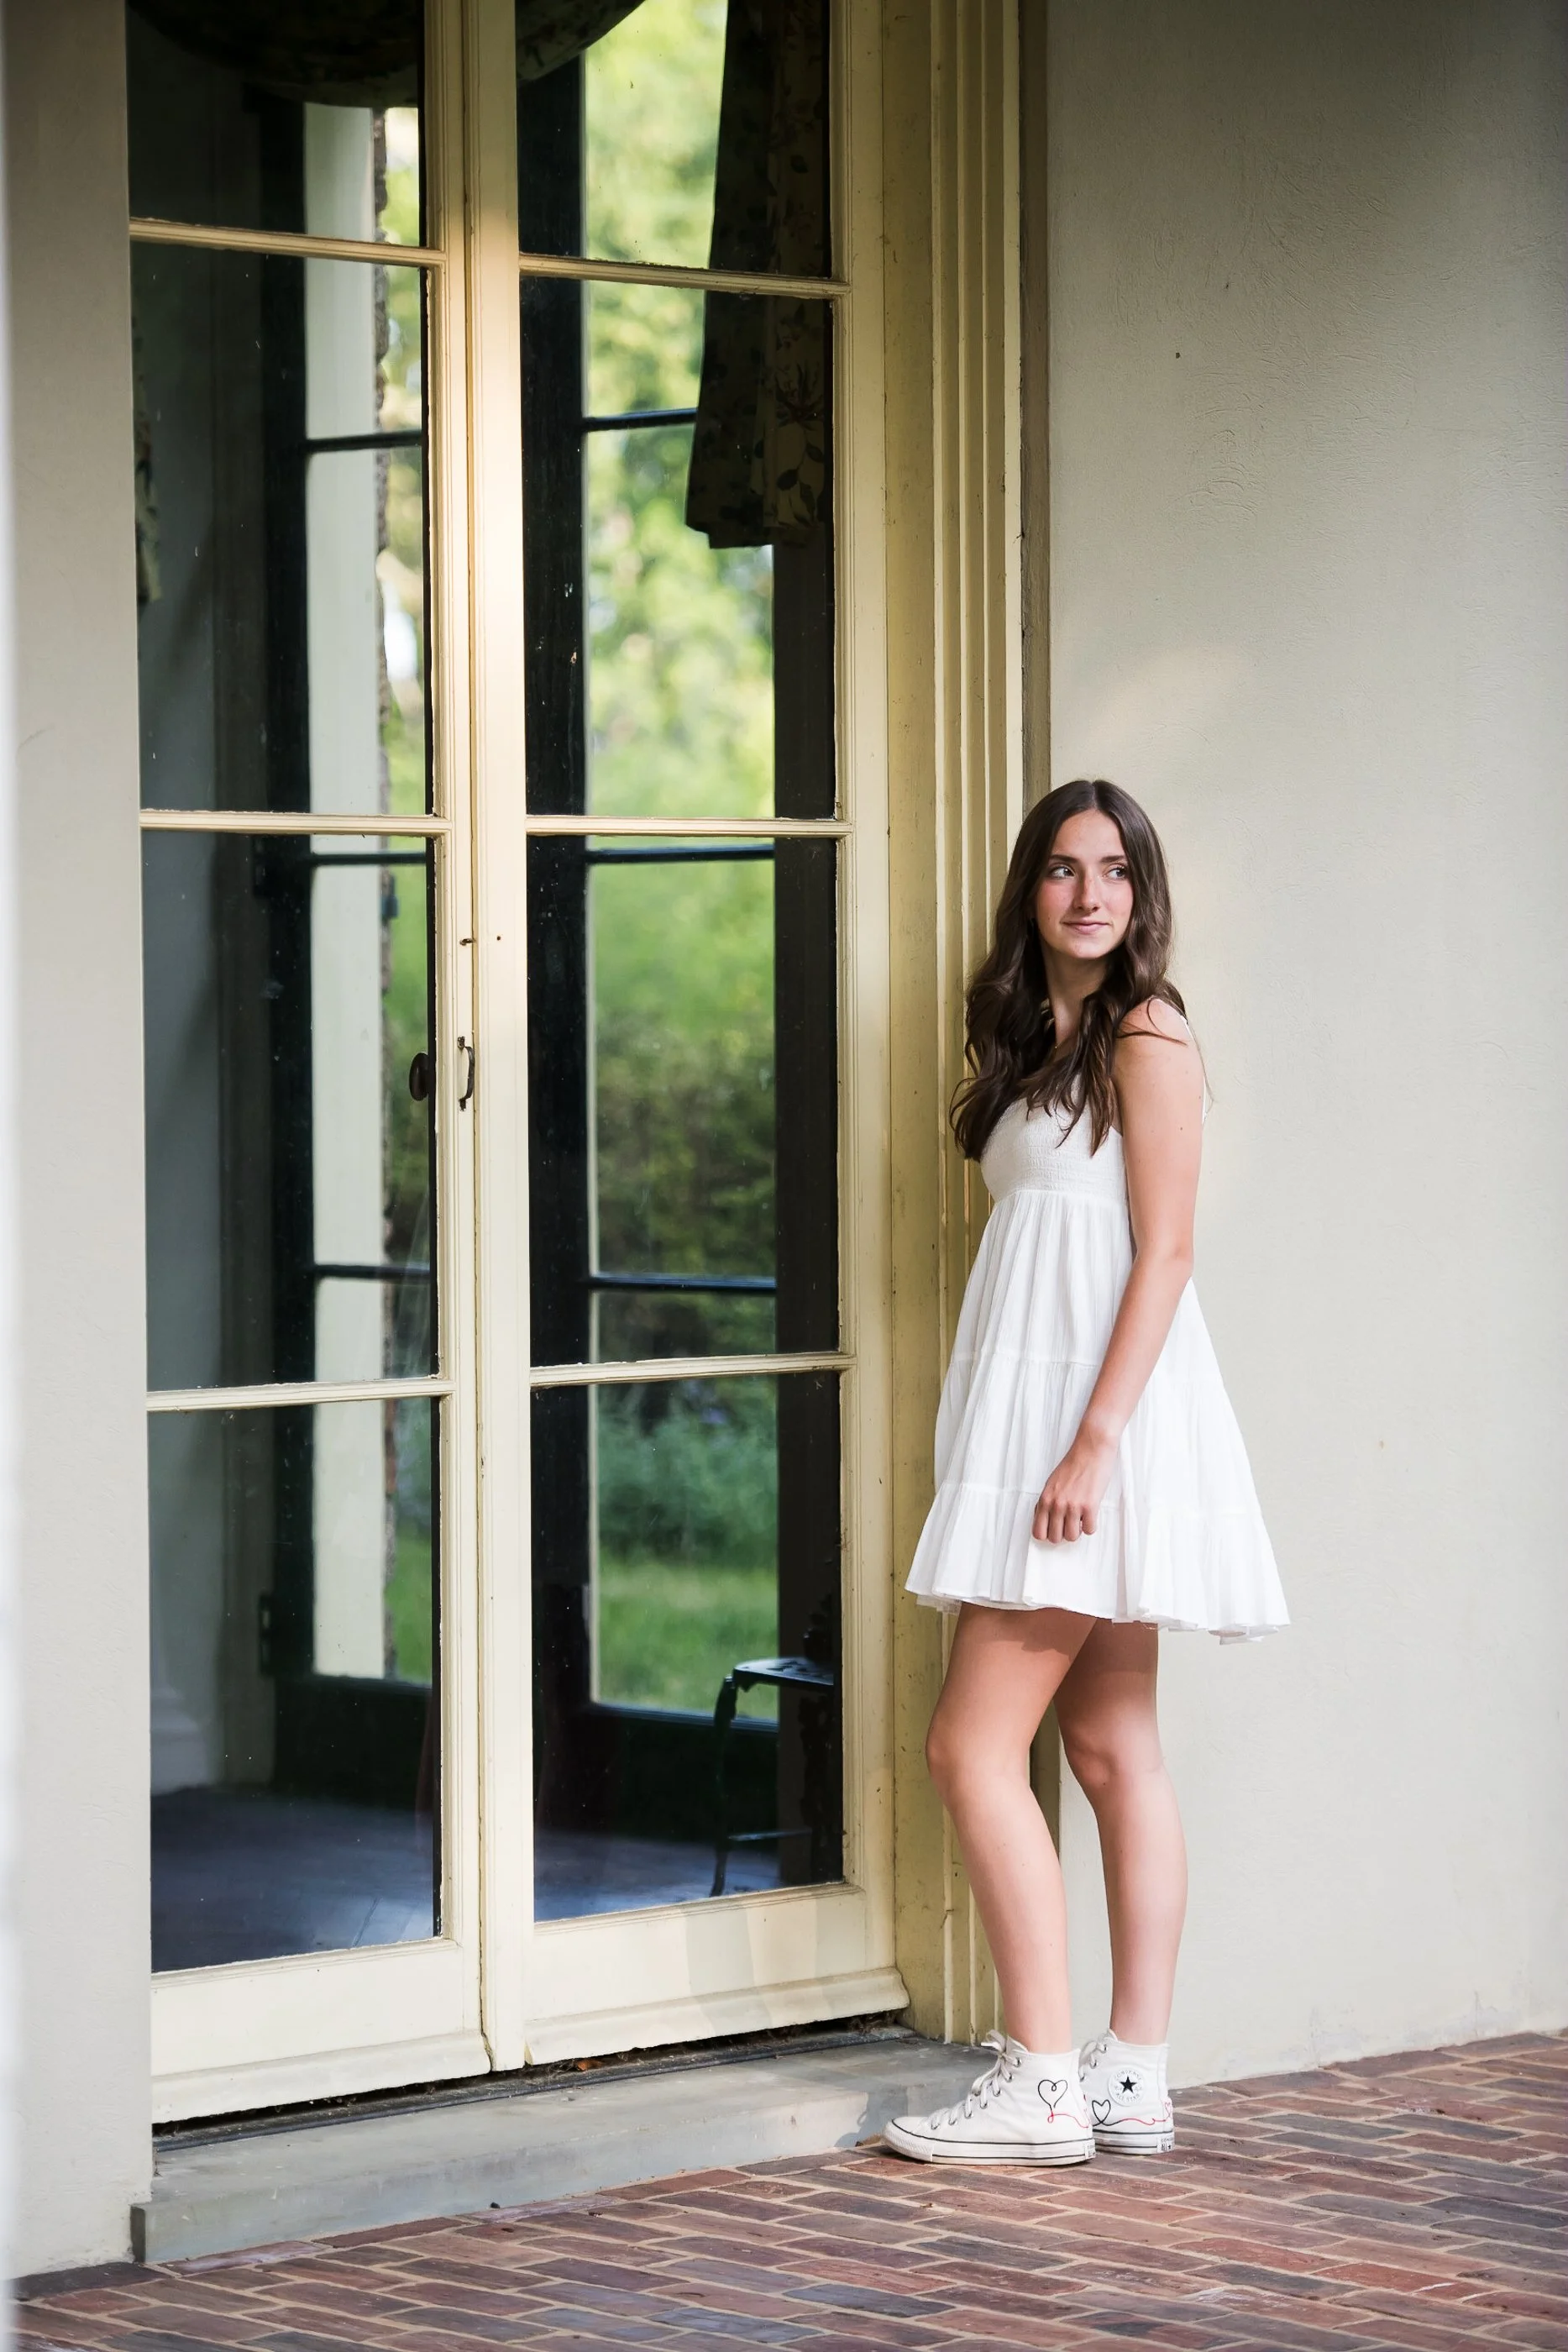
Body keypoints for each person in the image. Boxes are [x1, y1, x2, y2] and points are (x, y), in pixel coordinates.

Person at [884, 779, 1288, 2167]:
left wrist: (1093, 1445)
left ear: (1141, 891)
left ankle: (1043, 2079)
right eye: (1063, 869)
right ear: (1031, 890)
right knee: (1112, 1747)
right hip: (1054, 1419)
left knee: (970, 1746)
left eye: (1114, 870)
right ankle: (1132, 2077)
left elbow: (1166, 1251)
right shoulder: (1030, 1038)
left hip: (1094, 1426)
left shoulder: (1145, 1031)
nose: (1089, 895)